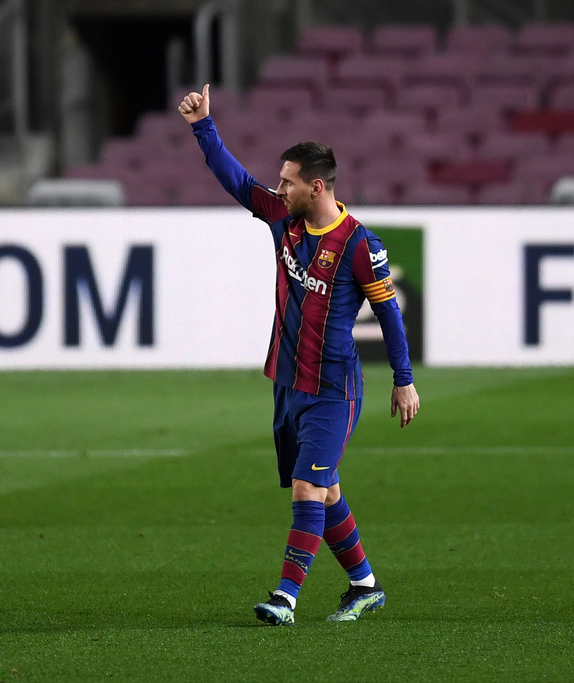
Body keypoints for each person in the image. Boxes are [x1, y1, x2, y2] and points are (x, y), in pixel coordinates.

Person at [178, 84, 420, 626]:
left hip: (334, 388)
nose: (278, 188)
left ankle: (285, 598)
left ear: (316, 187)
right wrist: (203, 126)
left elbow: (389, 314)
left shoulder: (361, 244)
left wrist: (403, 379)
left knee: (310, 486)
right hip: (287, 383)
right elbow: (237, 181)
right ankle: (365, 585)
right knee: (326, 490)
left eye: (287, 181)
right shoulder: (283, 219)